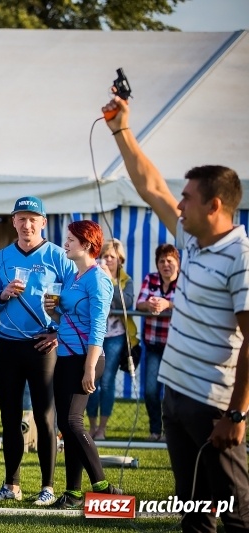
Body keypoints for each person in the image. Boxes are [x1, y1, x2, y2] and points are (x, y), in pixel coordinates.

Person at [104, 95, 249, 532]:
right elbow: (150, 186)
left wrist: (236, 415)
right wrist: (120, 130)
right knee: (195, 514)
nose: (178, 205)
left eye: (187, 198)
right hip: (175, 395)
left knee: (238, 512)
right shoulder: (190, 241)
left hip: (213, 405)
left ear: (214, 206)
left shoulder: (242, 257)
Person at [0, 196, 75, 506]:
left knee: (45, 418)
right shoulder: (2, 258)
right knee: (9, 419)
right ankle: (12, 484)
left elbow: (79, 300)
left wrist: (59, 333)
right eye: (21, 218)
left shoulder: (59, 257)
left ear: (43, 223)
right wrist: (3, 294)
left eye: (33, 218)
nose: (27, 224)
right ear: (13, 222)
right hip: (8, 345)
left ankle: (47, 486)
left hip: (43, 346)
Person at [43, 220, 121, 509]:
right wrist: (53, 313)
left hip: (87, 359)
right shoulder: (75, 277)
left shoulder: (98, 278)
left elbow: (98, 327)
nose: (66, 243)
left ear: (87, 244)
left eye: (71, 239)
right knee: (65, 423)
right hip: (66, 356)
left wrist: (90, 368)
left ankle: (102, 486)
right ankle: (73, 493)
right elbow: (71, 321)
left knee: (73, 421)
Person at [86, 239, 139, 440]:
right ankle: (91, 425)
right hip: (94, 334)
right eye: (105, 256)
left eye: (112, 257)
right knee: (91, 380)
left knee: (107, 382)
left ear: (120, 260)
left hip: (115, 337)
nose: (108, 260)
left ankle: (102, 427)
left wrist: (112, 281)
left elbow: (125, 303)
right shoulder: (93, 275)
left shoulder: (126, 280)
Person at [135, 244, 179, 442]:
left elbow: (189, 304)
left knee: (174, 393)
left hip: (177, 348)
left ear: (177, 263)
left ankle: (174, 433)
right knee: (151, 390)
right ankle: (155, 431)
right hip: (153, 344)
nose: (165, 264)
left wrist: (167, 304)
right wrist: (150, 304)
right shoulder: (150, 278)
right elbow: (139, 303)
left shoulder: (185, 282)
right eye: (162, 260)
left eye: (170, 260)